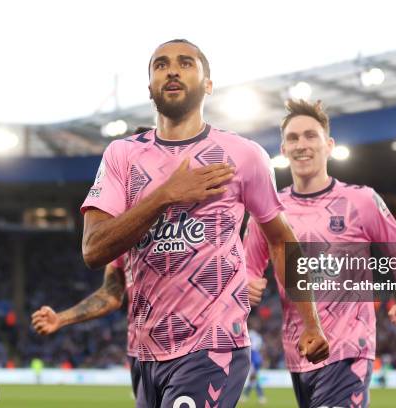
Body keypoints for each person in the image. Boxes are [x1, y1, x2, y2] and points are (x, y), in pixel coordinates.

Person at [80, 39, 329, 407]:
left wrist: (311, 322)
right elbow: (94, 248)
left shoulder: (243, 156)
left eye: (186, 63)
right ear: (150, 86)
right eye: (160, 65)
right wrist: (165, 195)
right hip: (147, 354)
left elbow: (281, 241)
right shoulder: (122, 155)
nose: (173, 70)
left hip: (214, 347)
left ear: (208, 84)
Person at [244, 99, 396, 408]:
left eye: (311, 135)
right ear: (283, 150)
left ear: (329, 145)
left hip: (350, 348)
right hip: (300, 352)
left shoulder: (361, 200)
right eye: (293, 138)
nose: (302, 145)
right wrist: (247, 284)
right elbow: (246, 270)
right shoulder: (268, 214)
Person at [30, 258, 145, 406]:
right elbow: (111, 294)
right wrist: (60, 319)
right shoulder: (122, 240)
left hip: (182, 351)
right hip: (139, 354)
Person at [240, 325, 266, 404]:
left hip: (253, 358)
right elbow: (261, 348)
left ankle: (260, 396)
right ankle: (248, 396)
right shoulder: (258, 337)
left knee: (253, 379)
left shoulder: (249, 334)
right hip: (256, 358)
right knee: (253, 380)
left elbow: (250, 347)